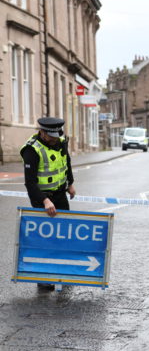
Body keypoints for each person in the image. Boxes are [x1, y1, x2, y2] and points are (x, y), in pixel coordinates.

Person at [20, 117, 76, 291]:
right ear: (42, 132)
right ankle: (43, 277)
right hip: (41, 198)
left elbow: (66, 161)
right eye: (51, 135)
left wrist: (70, 183)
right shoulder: (31, 150)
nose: (55, 138)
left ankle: (63, 271)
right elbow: (30, 182)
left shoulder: (60, 141)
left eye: (57, 134)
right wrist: (44, 200)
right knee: (43, 238)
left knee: (64, 234)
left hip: (59, 194)